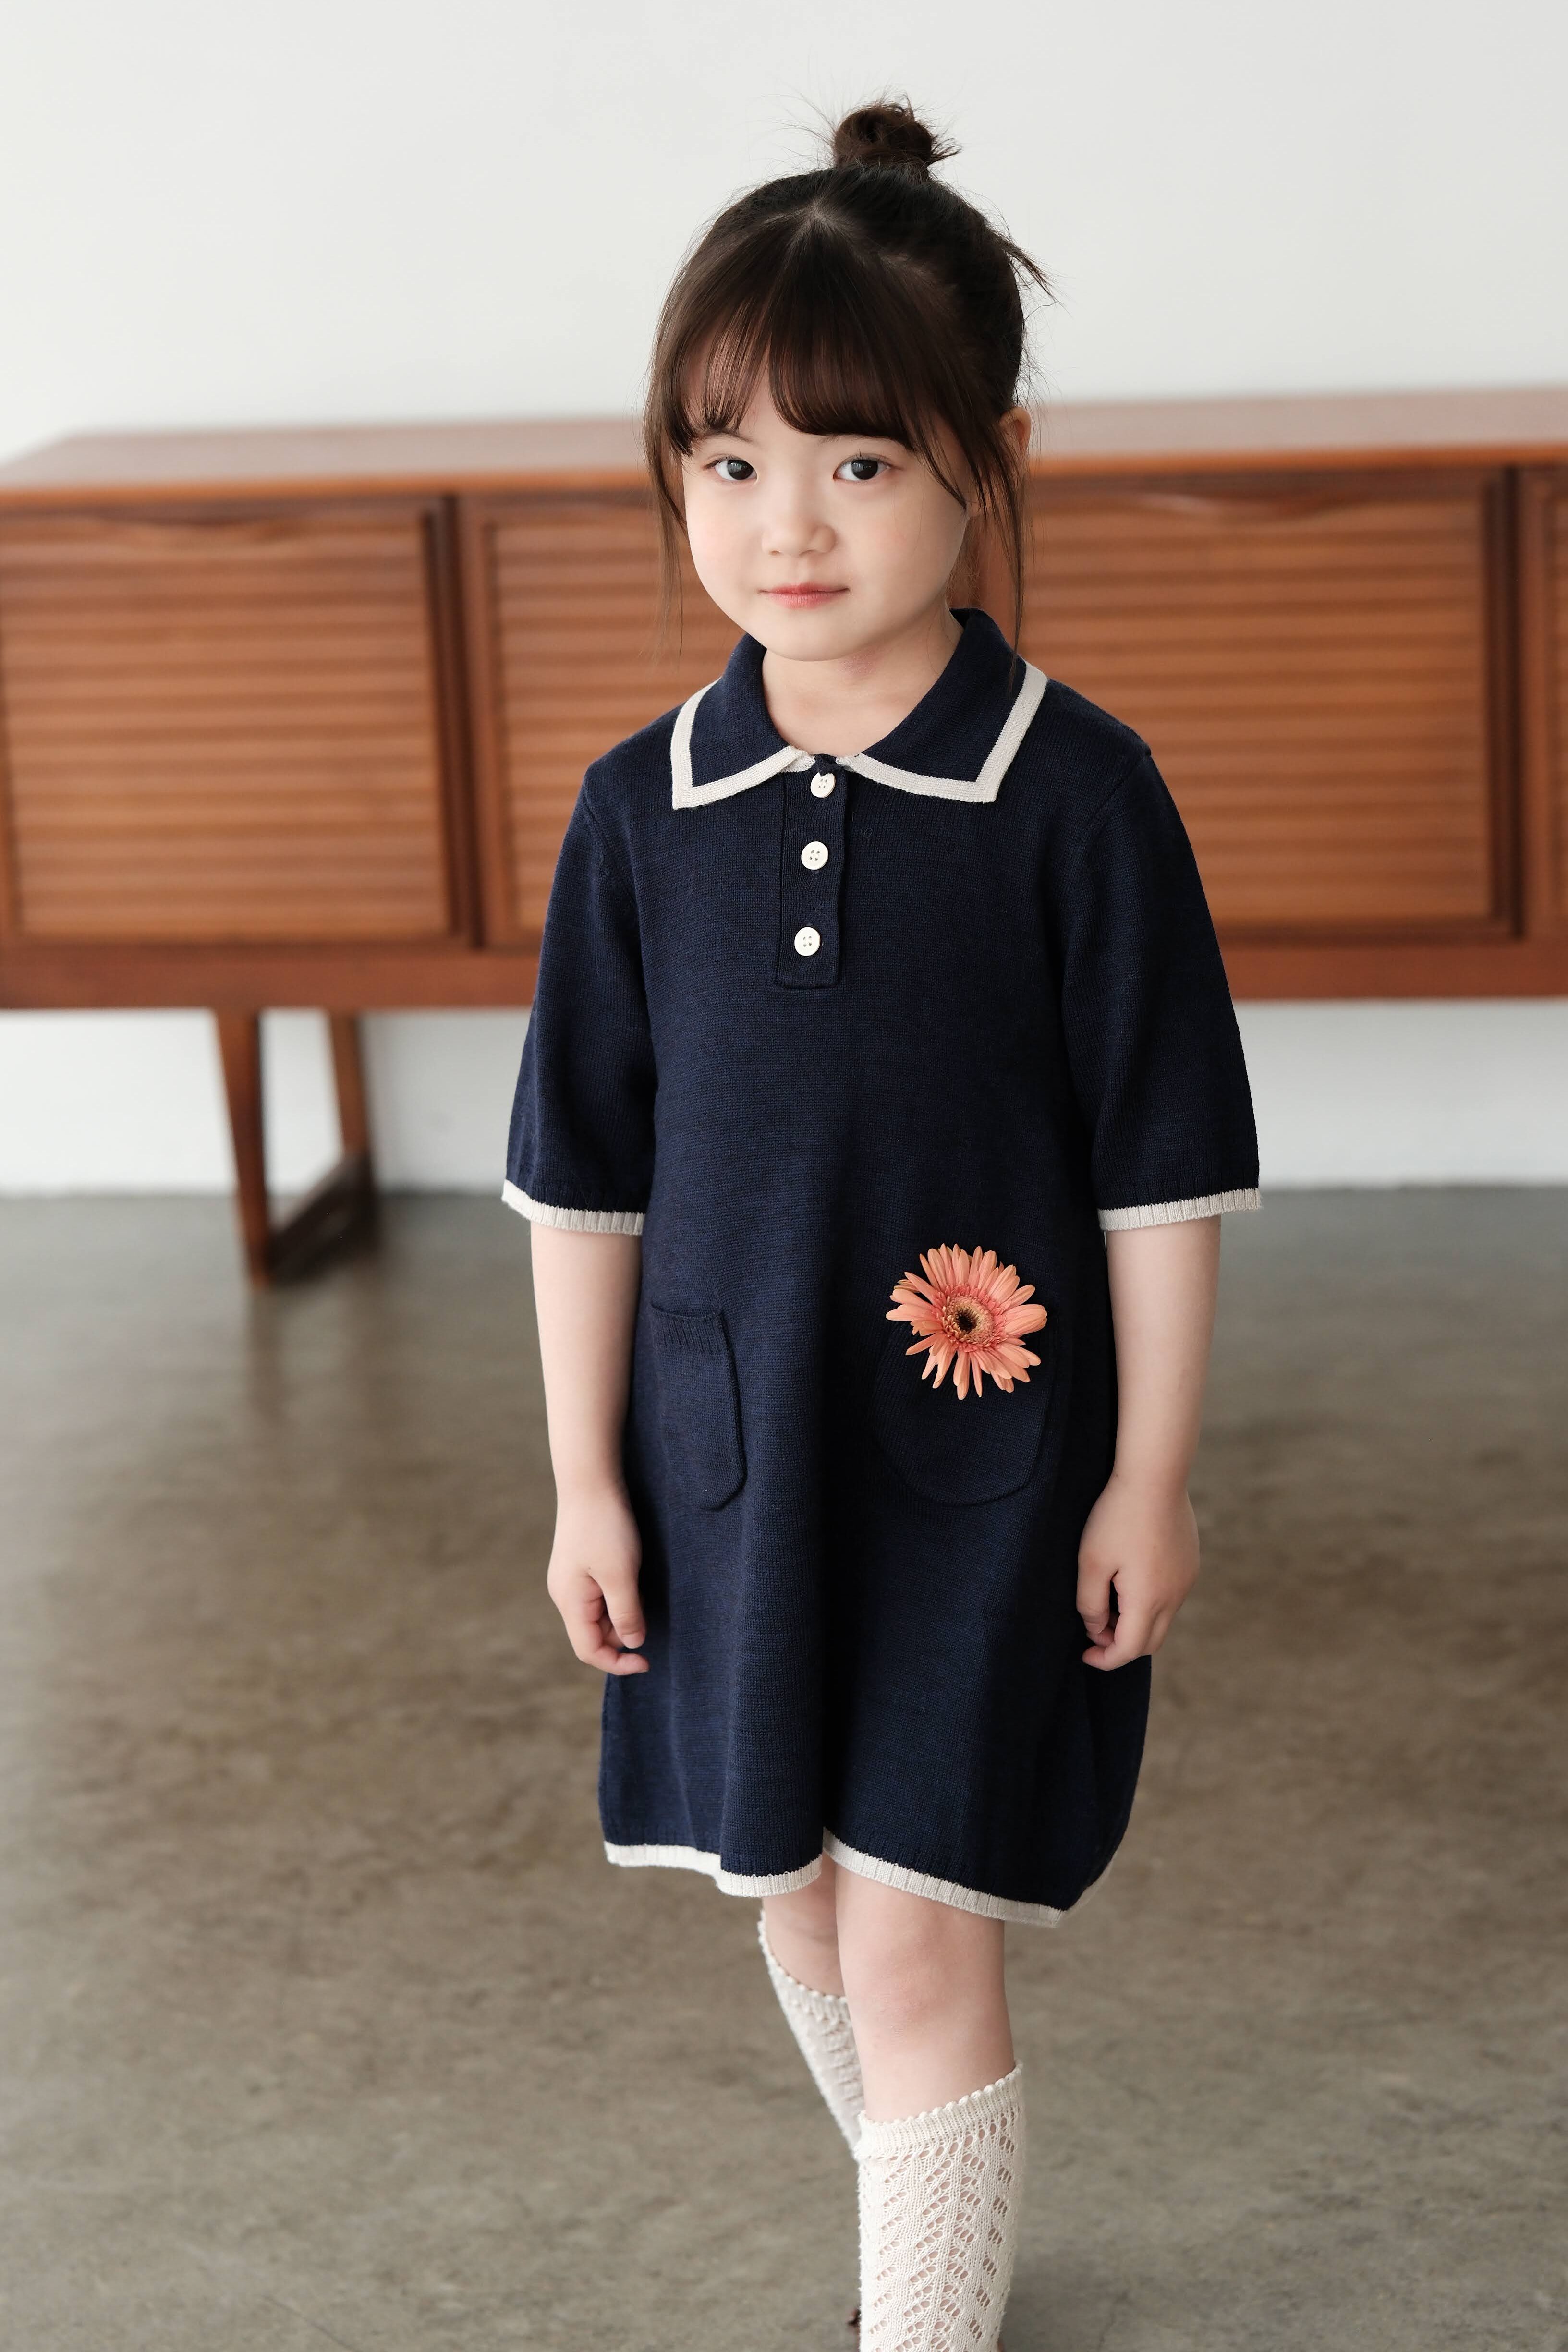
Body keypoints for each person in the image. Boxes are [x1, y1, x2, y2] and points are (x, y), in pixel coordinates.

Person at [505, 97, 1259, 2352]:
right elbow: (583, 1184)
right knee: (803, 1906)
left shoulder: (1077, 793)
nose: (788, 523)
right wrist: (584, 1483)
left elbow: (1159, 1169)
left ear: (985, 459)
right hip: (731, 1473)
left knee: (922, 1928)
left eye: (855, 459)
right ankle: (938, 2238)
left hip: (985, 1469)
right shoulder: (640, 812)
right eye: (728, 462)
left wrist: (1148, 1474)